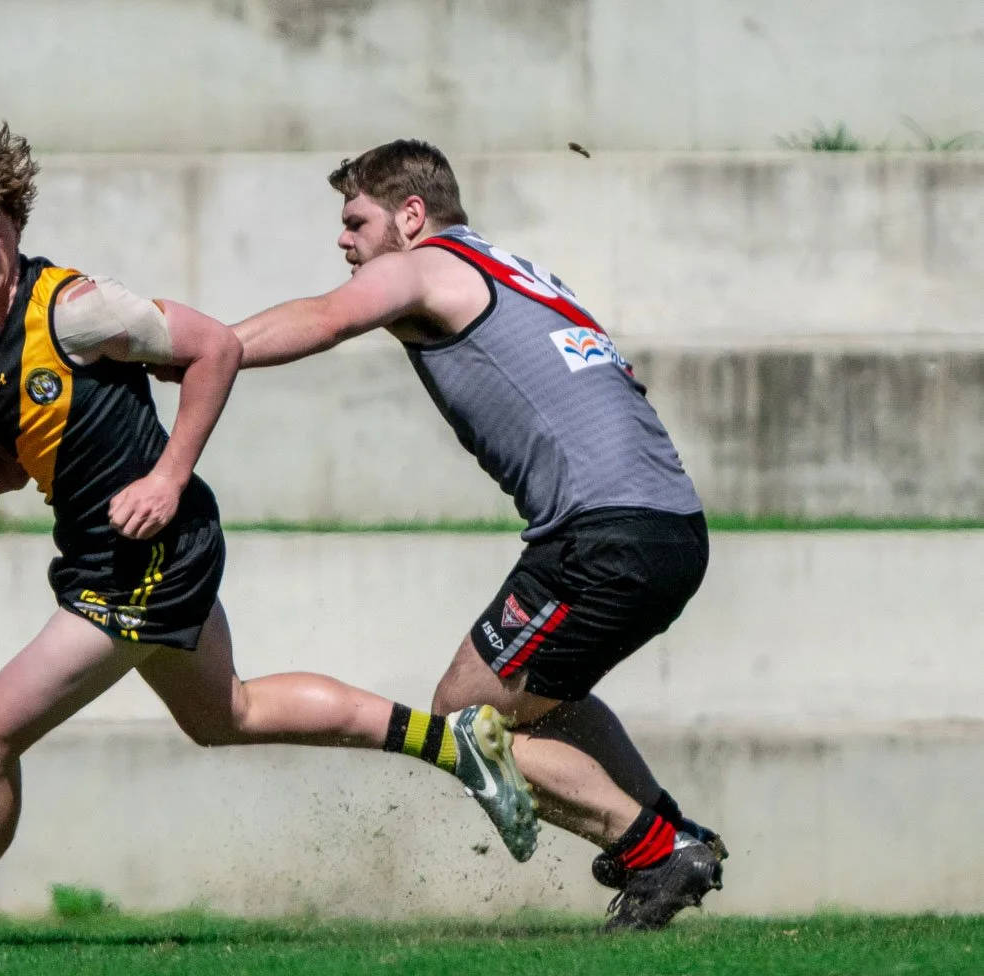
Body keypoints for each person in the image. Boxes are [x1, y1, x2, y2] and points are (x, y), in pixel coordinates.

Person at [0, 125, 537, 948]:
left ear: (17, 228)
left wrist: (168, 474)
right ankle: (453, 740)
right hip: (101, 548)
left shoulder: (76, 309)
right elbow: (5, 460)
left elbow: (214, 347)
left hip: (146, 553)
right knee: (229, 713)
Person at [224, 139, 728, 932]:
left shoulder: (422, 266)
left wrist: (199, 351)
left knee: (462, 717)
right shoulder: (507, 267)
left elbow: (324, 319)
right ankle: (673, 833)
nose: (344, 241)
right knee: (538, 701)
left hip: (601, 535)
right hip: (669, 529)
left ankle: (656, 849)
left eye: (356, 221)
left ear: (411, 216)